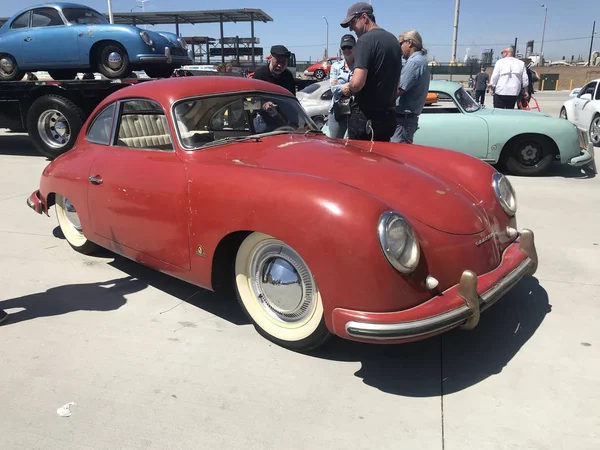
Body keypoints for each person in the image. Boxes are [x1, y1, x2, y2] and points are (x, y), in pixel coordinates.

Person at [338, 2, 402, 142]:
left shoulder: (365, 41)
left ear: (364, 17)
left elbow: (357, 83)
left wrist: (347, 88)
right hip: (388, 116)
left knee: (359, 160)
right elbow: (397, 85)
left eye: (352, 23)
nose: (350, 28)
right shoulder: (393, 41)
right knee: (381, 159)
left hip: (366, 117)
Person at [390, 30, 430, 144]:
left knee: (397, 155)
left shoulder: (414, 63)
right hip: (407, 119)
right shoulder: (421, 61)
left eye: (400, 44)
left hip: (403, 120)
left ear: (410, 43)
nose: (399, 48)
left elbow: (398, 90)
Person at [328, 34, 356, 138]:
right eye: (344, 47)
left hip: (355, 111)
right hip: (338, 110)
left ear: (355, 47)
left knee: (353, 145)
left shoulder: (360, 66)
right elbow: (334, 89)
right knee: (334, 144)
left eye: (349, 47)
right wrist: (352, 85)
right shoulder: (335, 66)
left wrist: (343, 86)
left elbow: (360, 86)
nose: (347, 50)